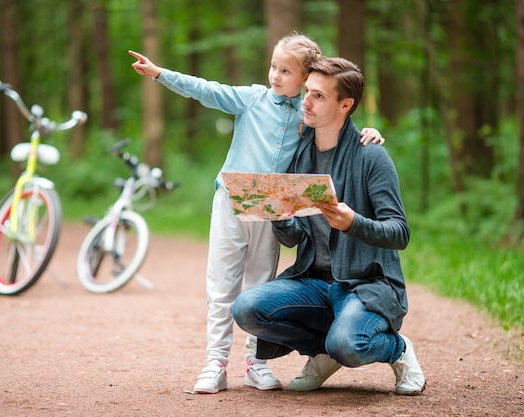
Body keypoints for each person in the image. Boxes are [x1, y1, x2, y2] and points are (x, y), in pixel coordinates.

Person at [129, 35, 385, 394]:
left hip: (272, 211)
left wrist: (369, 133)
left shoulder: (308, 115)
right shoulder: (251, 99)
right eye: (273, 67)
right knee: (221, 286)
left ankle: (255, 364)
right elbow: (206, 89)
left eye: (286, 70)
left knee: (260, 286)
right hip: (231, 202)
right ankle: (215, 364)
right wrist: (159, 74)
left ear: (305, 77)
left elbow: (339, 129)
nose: (275, 75)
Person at [232, 56, 426, 396]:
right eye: (306, 91)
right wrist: (281, 217)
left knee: (349, 345)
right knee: (247, 310)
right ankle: (322, 353)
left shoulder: (371, 155)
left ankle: (397, 349)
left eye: (318, 96)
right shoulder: (300, 155)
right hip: (315, 283)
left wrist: (354, 223)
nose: (305, 101)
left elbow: (400, 232)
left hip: (365, 285)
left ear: (345, 104)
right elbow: (294, 238)